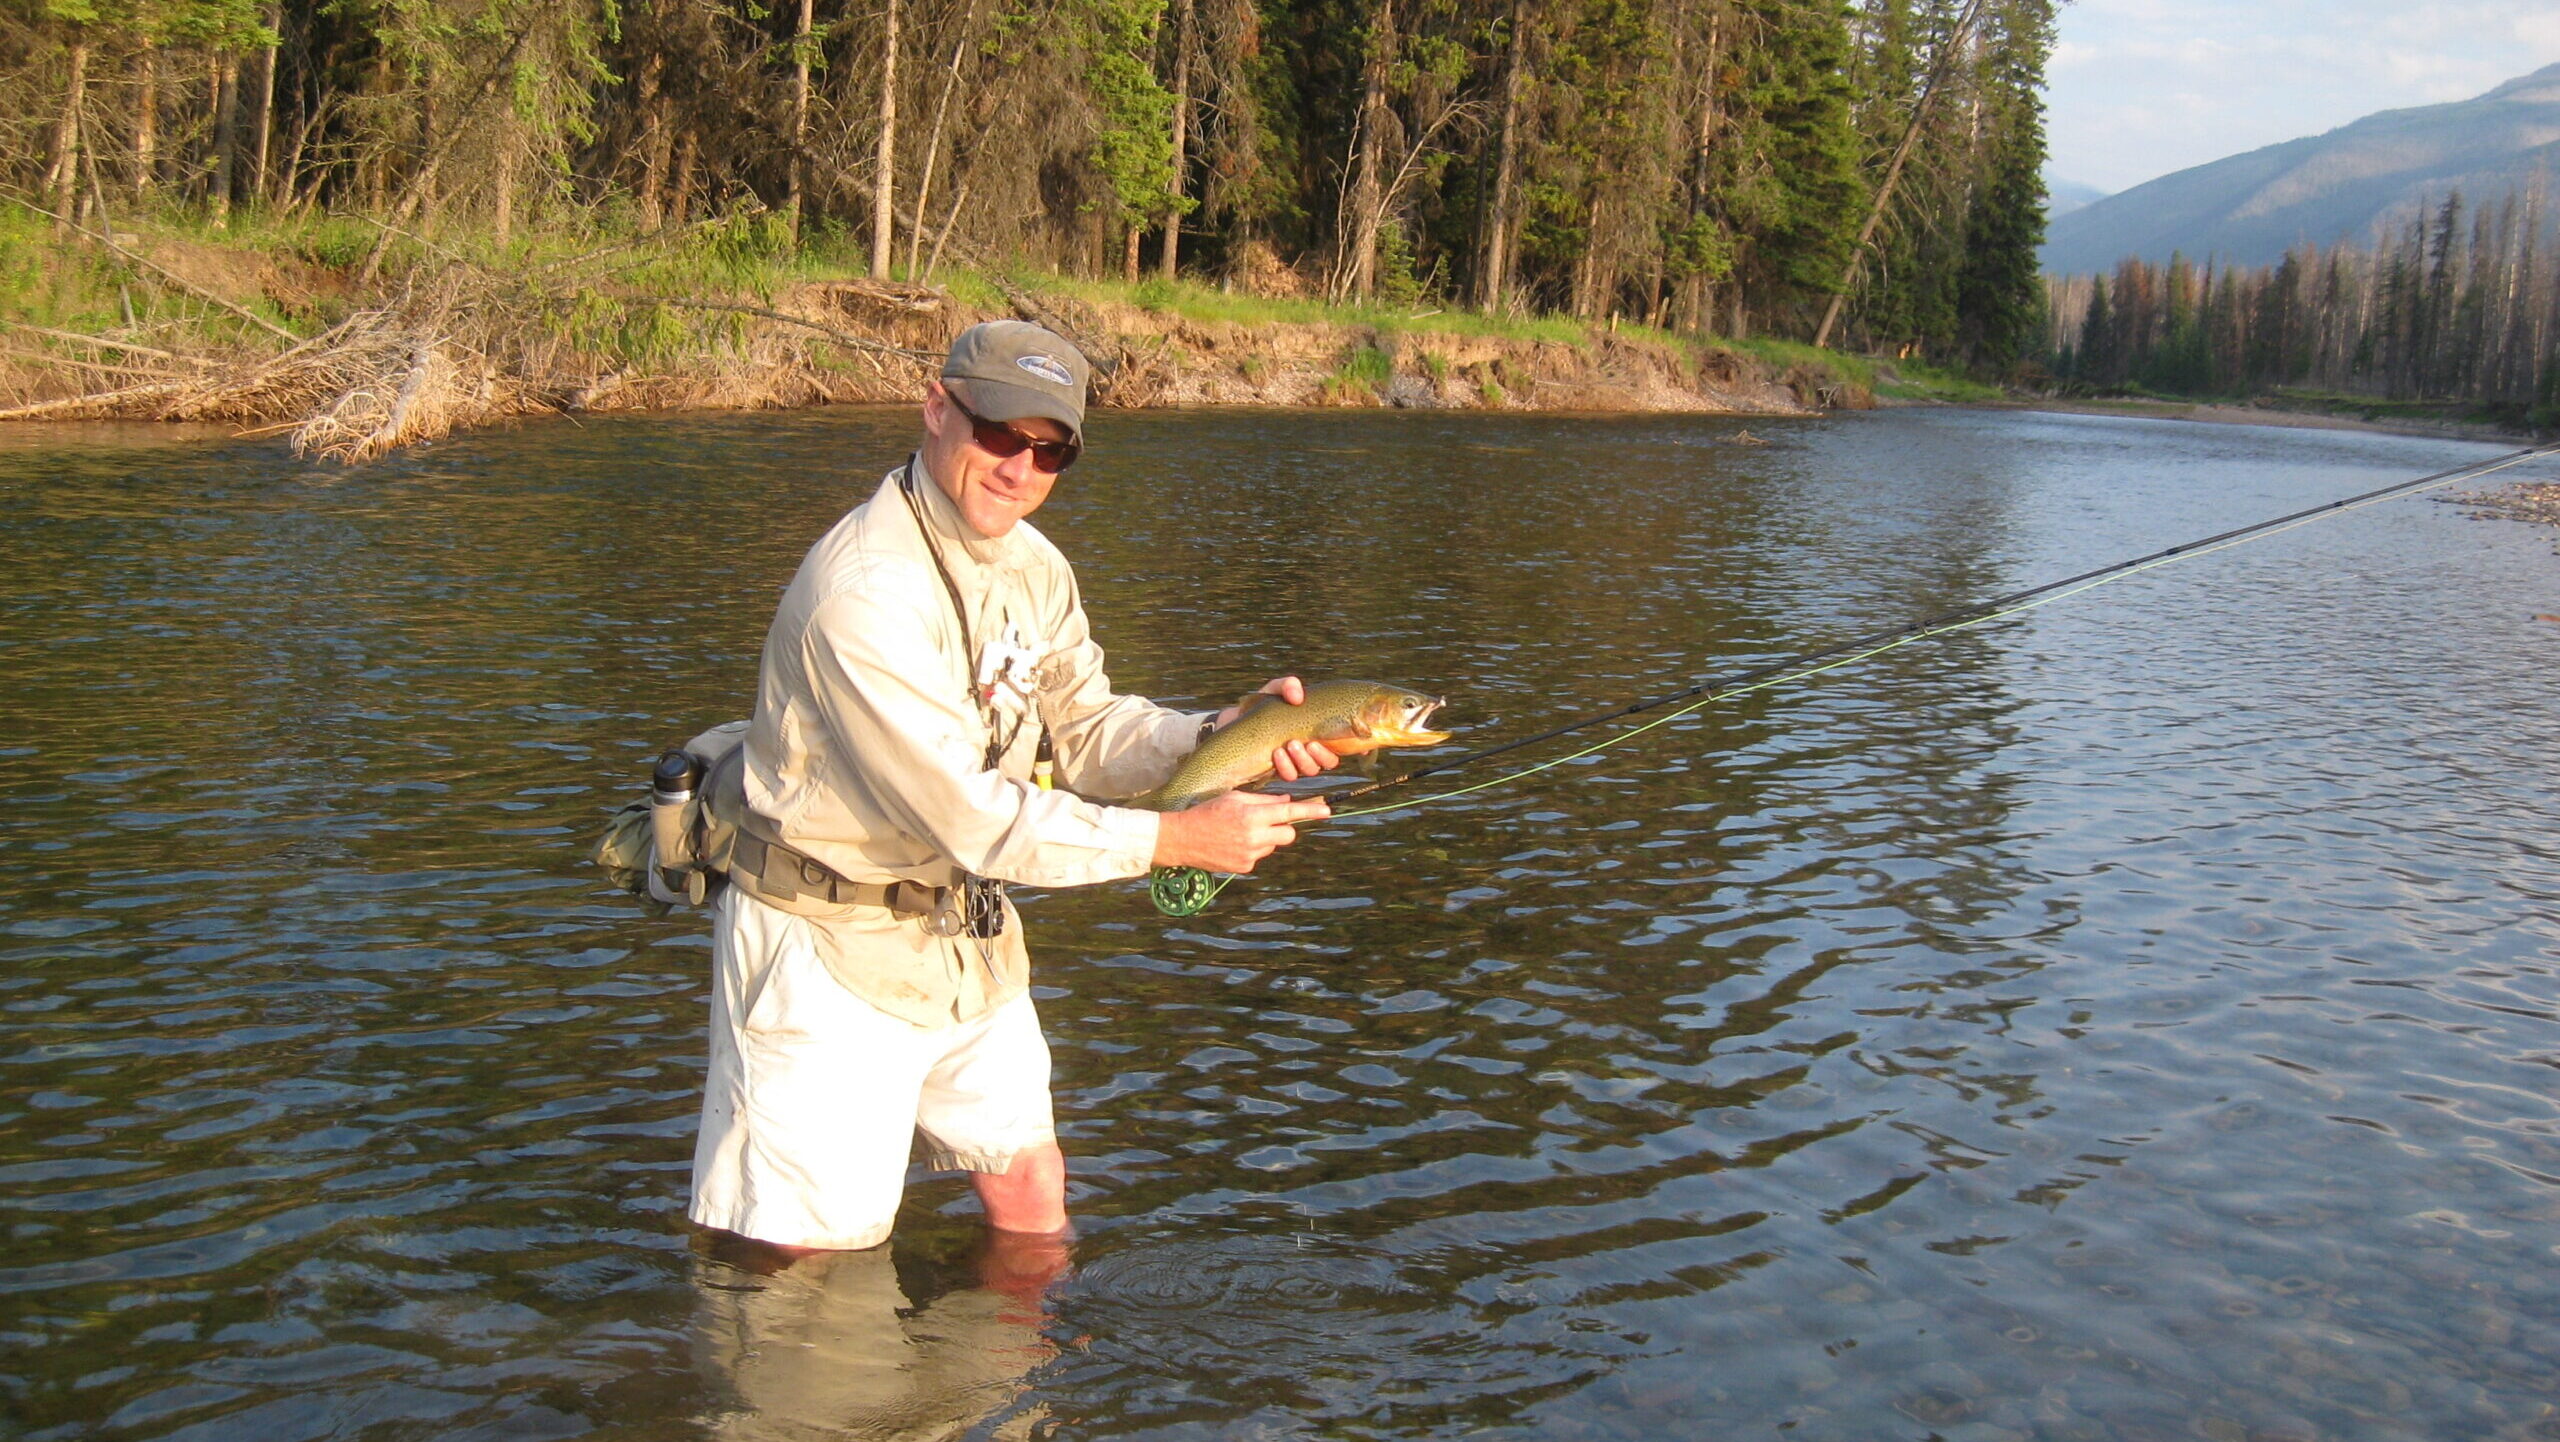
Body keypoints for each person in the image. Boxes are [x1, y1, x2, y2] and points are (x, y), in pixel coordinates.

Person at [690, 319, 1337, 1253]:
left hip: (962, 932)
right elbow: (972, 815)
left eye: (1050, 451)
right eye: (998, 434)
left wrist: (1217, 736)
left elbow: (1087, 728)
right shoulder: (864, 593)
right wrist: (1174, 841)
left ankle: (1019, 1393)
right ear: (937, 410)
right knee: (802, 1260)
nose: (1017, 469)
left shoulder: (1036, 567)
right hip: (825, 945)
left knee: (1031, 1192)